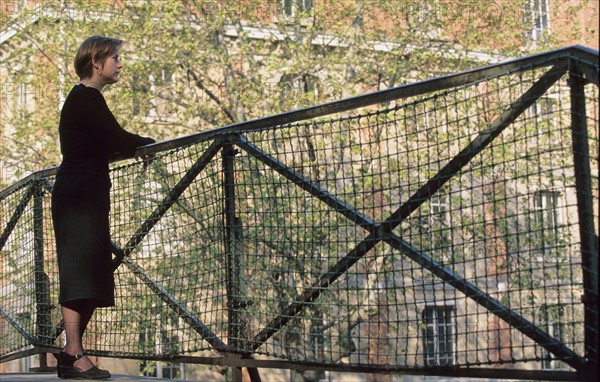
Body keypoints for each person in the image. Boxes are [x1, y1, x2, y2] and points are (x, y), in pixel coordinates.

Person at [51, 35, 155, 379]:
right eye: (115, 58)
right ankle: (74, 353)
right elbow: (116, 139)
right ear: (96, 62)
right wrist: (150, 144)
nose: (120, 64)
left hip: (86, 191)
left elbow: (105, 144)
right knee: (80, 271)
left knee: (93, 273)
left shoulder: (86, 99)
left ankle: (70, 355)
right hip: (78, 194)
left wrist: (131, 146)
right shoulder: (86, 97)